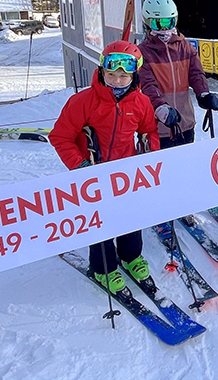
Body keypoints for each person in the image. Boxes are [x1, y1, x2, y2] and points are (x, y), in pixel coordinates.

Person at [49, 40, 161, 293]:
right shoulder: (83, 102)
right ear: (101, 71)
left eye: (124, 75)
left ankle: (130, 257)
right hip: (94, 171)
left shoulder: (141, 103)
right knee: (101, 221)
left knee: (130, 216)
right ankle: (103, 268)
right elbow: (60, 137)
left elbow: (149, 131)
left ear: (134, 75)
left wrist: (149, 156)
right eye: (111, 74)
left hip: (126, 173)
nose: (117, 80)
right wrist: (80, 165)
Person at [136, 0, 218, 234]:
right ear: (147, 23)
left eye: (169, 22)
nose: (164, 30)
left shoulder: (185, 47)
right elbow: (147, 84)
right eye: (158, 24)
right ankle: (162, 211)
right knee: (161, 170)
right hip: (158, 124)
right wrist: (160, 107)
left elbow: (196, 74)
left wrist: (204, 94)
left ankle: (183, 206)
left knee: (184, 167)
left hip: (184, 120)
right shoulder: (143, 53)